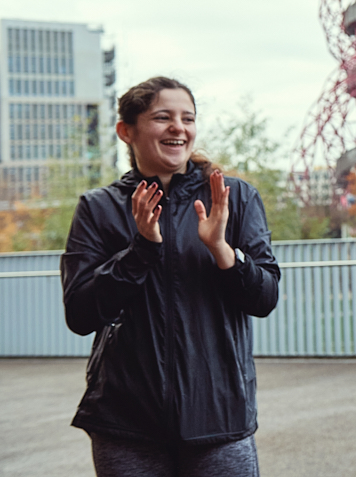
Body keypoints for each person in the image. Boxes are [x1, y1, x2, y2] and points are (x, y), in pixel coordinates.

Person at [61, 76, 280, 477]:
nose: (179, 127)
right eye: (163, 117)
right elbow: (80, 313)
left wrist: (222, 250)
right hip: (126, 423)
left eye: (188, 118)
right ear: (126, 131)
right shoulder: (98, 208)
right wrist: (141, 249)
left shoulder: (234, 198)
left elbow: (264, 298)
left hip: (219, 419)